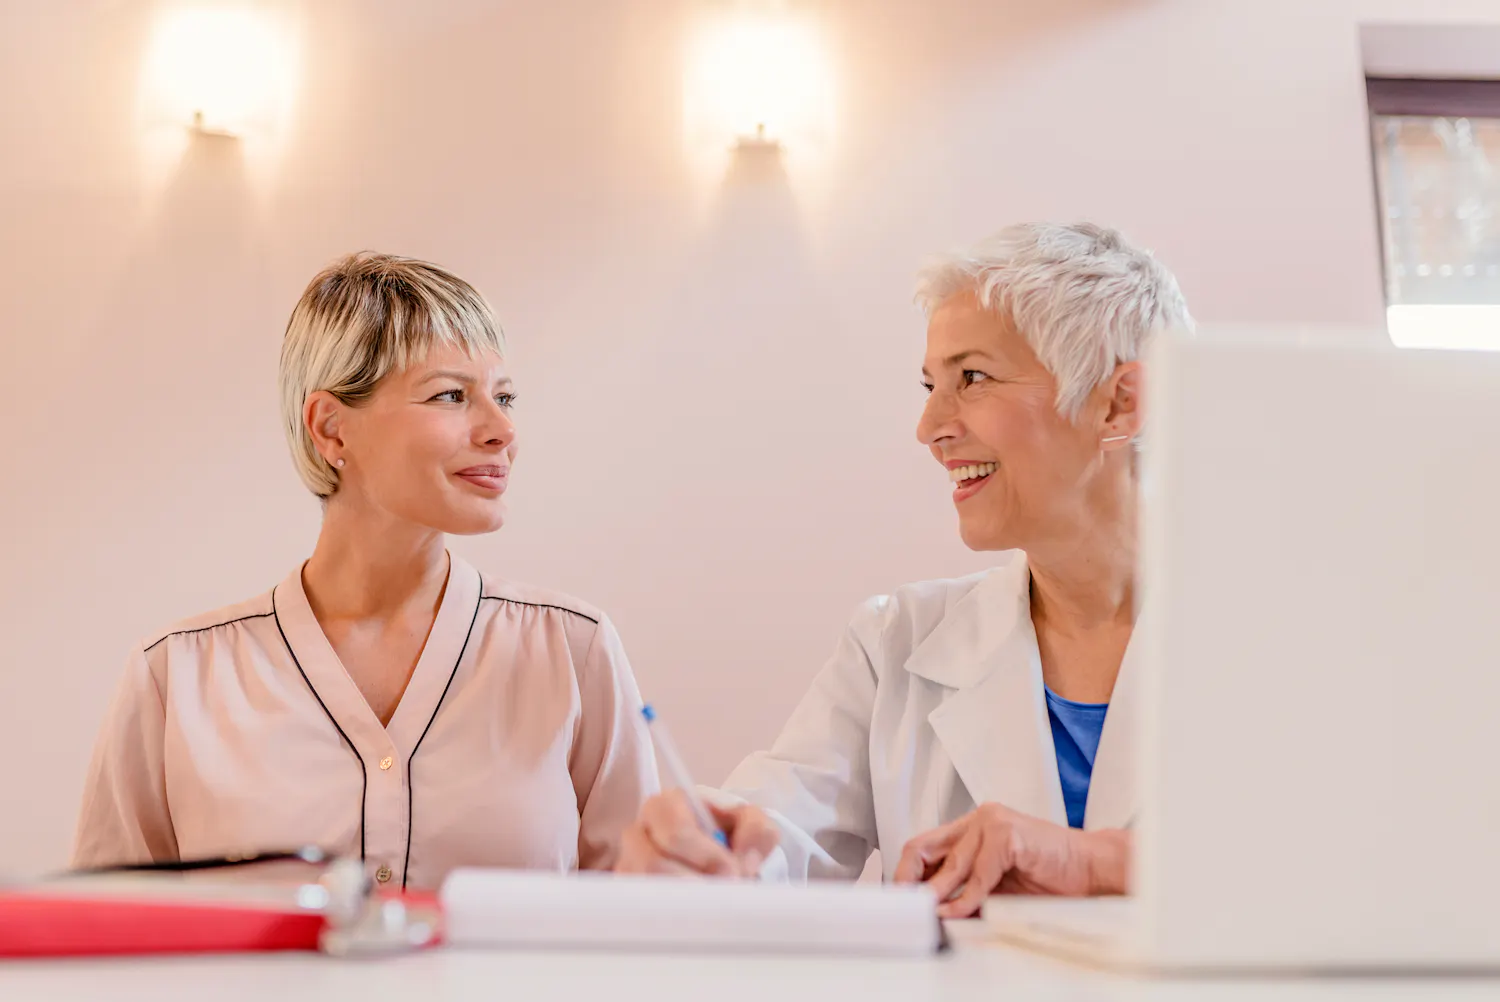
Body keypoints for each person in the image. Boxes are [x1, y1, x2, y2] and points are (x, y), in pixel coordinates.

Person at [615, 223, 1192, 917]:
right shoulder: (896, 645)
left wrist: (1091, 861)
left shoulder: (1295, 636)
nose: (930, 427)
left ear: (1119, 403)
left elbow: (1344, 863)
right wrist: (702, 849)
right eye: (931, 384)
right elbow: (777, 833)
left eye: (971, 378)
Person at [73, 253, 659, 889]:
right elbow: (105, 945)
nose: (501, 430)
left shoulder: (572, 652)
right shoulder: (175, 678)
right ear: (331, 429)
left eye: (505, 396)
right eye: (452, 395)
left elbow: (639, 924)